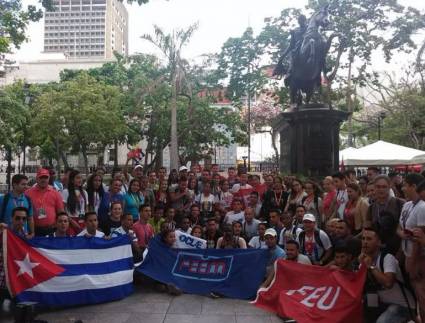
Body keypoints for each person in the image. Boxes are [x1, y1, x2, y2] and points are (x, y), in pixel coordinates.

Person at [360, 227, 416, 323]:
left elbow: (388, 283)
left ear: (379, 242)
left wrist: (371, 266)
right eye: (363, 238)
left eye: (369, 239)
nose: (365, 242)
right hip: (382, 303)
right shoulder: (363, 261)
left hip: (402, 305)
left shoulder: (387, 258)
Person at [397, 173, 425, 320]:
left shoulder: (422, 207)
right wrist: (402, 234)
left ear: (413, 186)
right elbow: (399, 227)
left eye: (405, 185)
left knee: (421, 296)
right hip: (406, 253)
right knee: (414, 293)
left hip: (417, 258)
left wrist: (413, 262)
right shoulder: (407, 204)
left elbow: (419, 239)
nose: (402, 188)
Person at [368, 175, 404, 255]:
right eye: (378, 187)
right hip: (378, 250)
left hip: (397, 250)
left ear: (389, 187)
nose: (381, 190)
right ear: (374, 188)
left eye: (384, 187)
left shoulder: (400, 204)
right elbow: (368, 229)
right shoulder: (371, 207)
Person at [26, 168, 64, 236]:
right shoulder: (28, 193)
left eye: (45, 177)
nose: (43, 180)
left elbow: (60, 212)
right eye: (41, 177)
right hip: (34, 230)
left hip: (52, 229)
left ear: (48, 179)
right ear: (37, 179)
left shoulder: (55, 193)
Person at [62, 169, 88, 234]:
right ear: (72, 180)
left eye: (81, 178)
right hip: (70, 222)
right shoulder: (66, 192)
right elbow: (63, 210)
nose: (80, 180)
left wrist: (86, 222)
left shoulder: (84, 193)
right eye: (78, 178)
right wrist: (72, 221)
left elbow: (86, 210)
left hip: (83, 221)